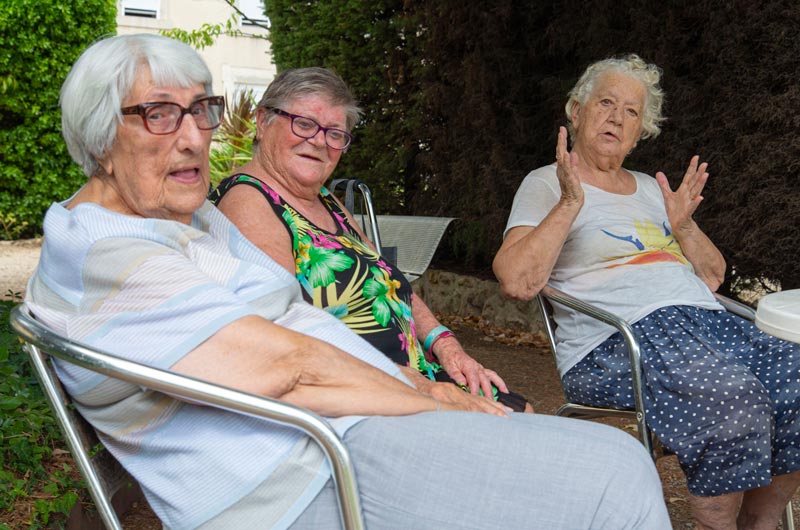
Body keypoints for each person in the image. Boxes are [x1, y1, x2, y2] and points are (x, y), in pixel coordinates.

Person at [24, 34, 670, 529]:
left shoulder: (183, 220)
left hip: (343, 429)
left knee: (593, 463)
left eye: (201, 111)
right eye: (161, 115)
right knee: (612, 470)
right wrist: (433, 397)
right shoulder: (108, 251)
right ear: (101, 134)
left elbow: (357, 304)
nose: (193, 137)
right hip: (304, 471)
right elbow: (290, 365)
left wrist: (440, 359)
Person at [493, 53, 800, 530]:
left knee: (796, 374)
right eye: (606, 103)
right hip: (621, 338)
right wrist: (571, 202)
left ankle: (759, 524)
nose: (617, 117)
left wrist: (683, 226)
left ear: (641, 132)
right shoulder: (547, 183)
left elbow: (713, 276)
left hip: (705, 323)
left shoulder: (650, 188)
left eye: (632, 111)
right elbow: (516, 280)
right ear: (577, 111)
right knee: (730, 397)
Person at [211, 67, 531, 412]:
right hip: (358, 392)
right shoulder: (248, 202)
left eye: (335, 134)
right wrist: (423, 389)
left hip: (413, 375)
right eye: (303, 124)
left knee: (522, 412)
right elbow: (287, 335)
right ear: (263, 121)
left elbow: (390, 279)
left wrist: (447, 346)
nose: (319, 141)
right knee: (516, 433)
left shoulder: (325, 201)